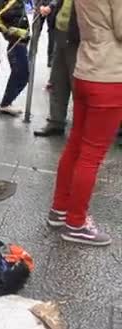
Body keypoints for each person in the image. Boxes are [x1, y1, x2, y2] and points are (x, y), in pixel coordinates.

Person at [46, 0, 122, 246]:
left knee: (76, 145)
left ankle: (60, 209)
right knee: (91, 155)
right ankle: (76, 223)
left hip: (86, 69)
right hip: (110, 74)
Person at [33, 0, 79, 137]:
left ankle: (82, 126)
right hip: (61, 32)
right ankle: (56, 121)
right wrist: (51, 6)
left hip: (79, 37)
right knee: (57, 80)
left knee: (78, 83)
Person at [0, 0, 30, 116]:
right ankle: (5, 104)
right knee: (21, 75)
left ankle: (6, 103)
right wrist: (12, 32)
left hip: (20, 45)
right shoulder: (13, 2)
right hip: (16, 45)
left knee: (20, 75)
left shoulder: (21, 3)